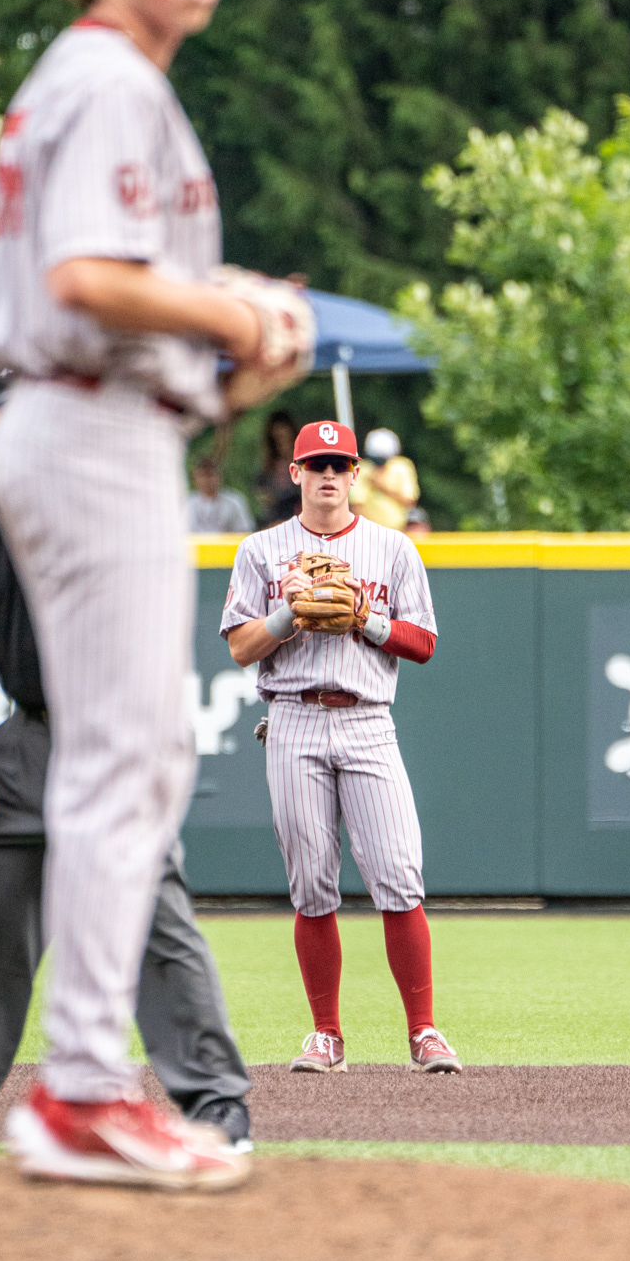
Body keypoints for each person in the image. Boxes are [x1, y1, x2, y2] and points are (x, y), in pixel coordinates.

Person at [0, 0, 310, 1191]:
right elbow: (84, 277)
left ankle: (84, 1082)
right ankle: (81, 1089)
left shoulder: (89, 80)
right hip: (86, 424)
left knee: (134, 749)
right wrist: (232, 309)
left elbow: (105, 290)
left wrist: (232, 355)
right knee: (133, 753)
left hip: (93, 421)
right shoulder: (110, 80)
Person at [0, 485, 253, 1155]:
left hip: (113, 731)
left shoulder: (114, 490)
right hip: (29, 733)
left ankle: (216, 1102)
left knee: (154, 918)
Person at [220, 419, 460, 1074]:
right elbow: (241, 647)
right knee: (310, 884)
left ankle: (424, 1032)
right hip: (292, 716)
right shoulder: (262, 551)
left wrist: (365, 620)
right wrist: (285, 614)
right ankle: (325, 1035)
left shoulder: (392, 548)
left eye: (338, 465)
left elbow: (423, 644)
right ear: (294, 473)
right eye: (314, 464)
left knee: (398, 874)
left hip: (366, 719)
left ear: (356, 475)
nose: (327, 475)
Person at [351, 427, 421, 532]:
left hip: (400, 532)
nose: (379, 465)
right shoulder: (362, 470)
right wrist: (375, 531)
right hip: (369, 532)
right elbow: (356, 505)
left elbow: (410, 501)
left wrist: (381, 486)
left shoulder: (402, 467)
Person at [253, 411, 300, 525]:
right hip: (276, 517)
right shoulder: (268, 465)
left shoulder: (304, 461)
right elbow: (261, 490)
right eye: (278, 438)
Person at [186, 455, 253, 534]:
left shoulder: (234, 502)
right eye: (203, 475)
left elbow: (245, 531)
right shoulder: (187, 504)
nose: (207, 480)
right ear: (195, 477)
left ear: (219, 476)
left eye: (210, 475)